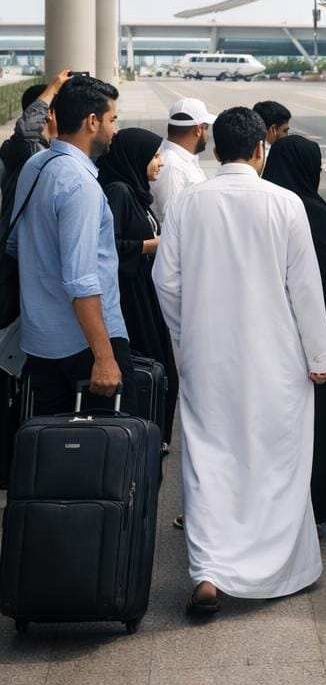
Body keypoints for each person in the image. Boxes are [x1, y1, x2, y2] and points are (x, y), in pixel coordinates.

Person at [153, 107, 326, 616]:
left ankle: (209, 571)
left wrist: (188, 337)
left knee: (209, 459)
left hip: (208, 355)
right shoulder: (285, 203)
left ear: (215, 150)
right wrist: (319, 356)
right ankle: (279, 568)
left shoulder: (189, 204)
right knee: (278, 458)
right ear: (261, 150)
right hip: (277, 356)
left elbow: (165, 282)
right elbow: (305, 287)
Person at [8, 75, 136, 413]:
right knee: (104, 456)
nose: (115, 129)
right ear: (92, 122)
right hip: (83, 347)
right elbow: (81, 279)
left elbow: (17, 244)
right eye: (113, 120)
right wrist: (105, 357)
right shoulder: (78, 184)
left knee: (53, 455)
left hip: (40, 342)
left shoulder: (36, 166)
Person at [264, 135, 326, 525]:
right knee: (321, 426)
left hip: (279, 333)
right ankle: (320, 504)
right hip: (317, 335)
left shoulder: (271, 201)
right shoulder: (305, 208)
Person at [98, 128, 179, 448]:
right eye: (154, 156)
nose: (159, 162)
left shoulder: (134, 191)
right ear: (136, 158)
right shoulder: (118, 191)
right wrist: (150, 246)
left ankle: (154, 438)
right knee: (152, 368)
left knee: (162, 368)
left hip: (144, 294)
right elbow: (107, 247)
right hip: (131, 301)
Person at [0, 69, 69, 228]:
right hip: (19, 246)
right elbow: (28, 128)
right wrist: (53, 87)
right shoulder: (28, 148)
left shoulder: (46, 147)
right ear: (50, 113)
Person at [150, 97, 215, 221]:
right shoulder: (171, 165)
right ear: (198, 130)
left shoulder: (181, 159)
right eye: (206, 128)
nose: (207, 135)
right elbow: (173, 218)